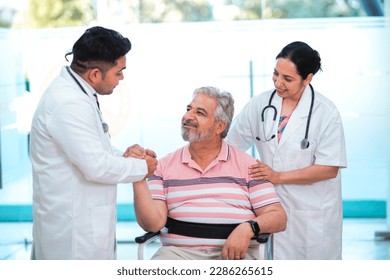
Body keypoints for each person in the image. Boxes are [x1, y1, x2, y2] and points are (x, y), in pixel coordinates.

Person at [29, 26, 158, 260]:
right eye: (118, 72)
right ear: (95, 74)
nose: (122, 78)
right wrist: (142, 168)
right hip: (73, 234)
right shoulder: (68, 103)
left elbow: (93, 149)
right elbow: (96, 166)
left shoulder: (78, 93)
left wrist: (125, 157)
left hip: (84, 223)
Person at [131, 86, 287, 260]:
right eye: (189, 109)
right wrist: (139, 177)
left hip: (235, 256)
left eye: (200, 113)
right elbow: (152, 224)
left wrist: (248, 228)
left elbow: (278, 217)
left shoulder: (248, 166)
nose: (188, 117)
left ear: (219, 126)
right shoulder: (163, 166)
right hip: (178, 255)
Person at [226, 41, 347, 260]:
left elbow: (329, 168)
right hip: (272, 206)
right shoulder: (260, 104)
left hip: (313, 212)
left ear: (308, 78)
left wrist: (276, 176)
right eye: (275, 74)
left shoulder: (326, 112)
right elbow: (231, 147)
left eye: (287, 79)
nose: (278, 83)